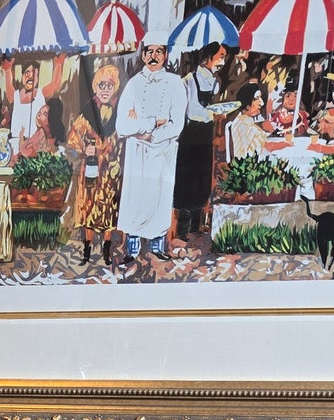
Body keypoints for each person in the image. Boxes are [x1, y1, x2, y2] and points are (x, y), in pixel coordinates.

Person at [115, 36, 185, 264]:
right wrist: (152, 122)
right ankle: (132, 248)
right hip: (137, 153)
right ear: (143, 55)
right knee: (135, 198)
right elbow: (122, 125)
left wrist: (150, 135)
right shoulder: (133, 84)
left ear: (165, 54)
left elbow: (176, 124)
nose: (153, 56)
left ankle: (157, 246)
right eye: (149, 51)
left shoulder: (175, 83)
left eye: (158, 51)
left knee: (159, 198)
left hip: (163, 152)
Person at [64, 61, 124, 265]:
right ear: (95, 87)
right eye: (101, 85)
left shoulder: (120, 113)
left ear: (115, 87)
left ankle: (106, 253)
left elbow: (124, 142)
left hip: (110, 173)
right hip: (89, 172)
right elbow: (71, 143)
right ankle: (87, 253)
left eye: (109, 85)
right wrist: (83, 150)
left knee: (109, 212)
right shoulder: (85, 115)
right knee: (87, 211)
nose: (105, 90)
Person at [173, 43, 226, 238]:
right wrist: (211, 111)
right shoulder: (188, 81)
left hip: (206, 132)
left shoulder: (215, 82)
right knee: (187, 178)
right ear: (207, 58)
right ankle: (183, 230)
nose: (222, 61)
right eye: (220, 56)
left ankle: (197, 226)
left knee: (202, 177)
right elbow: (191, 110)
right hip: (190, 133)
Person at [1, 53, 67, 158]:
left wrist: (58, 64)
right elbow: (9, 90)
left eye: (33, 73)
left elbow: (54, 85)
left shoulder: (41, 93)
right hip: (15, 145)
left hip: (36, 145)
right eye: (27, 73)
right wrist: (8, 70)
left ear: (37, 77)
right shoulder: (16, 95)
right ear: (22, 76)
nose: (30, 76)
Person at [228, 82, 269, 160]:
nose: (261, 103)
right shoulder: (243, 124)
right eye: (256, 99)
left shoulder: (244, 121)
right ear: (247, 102)